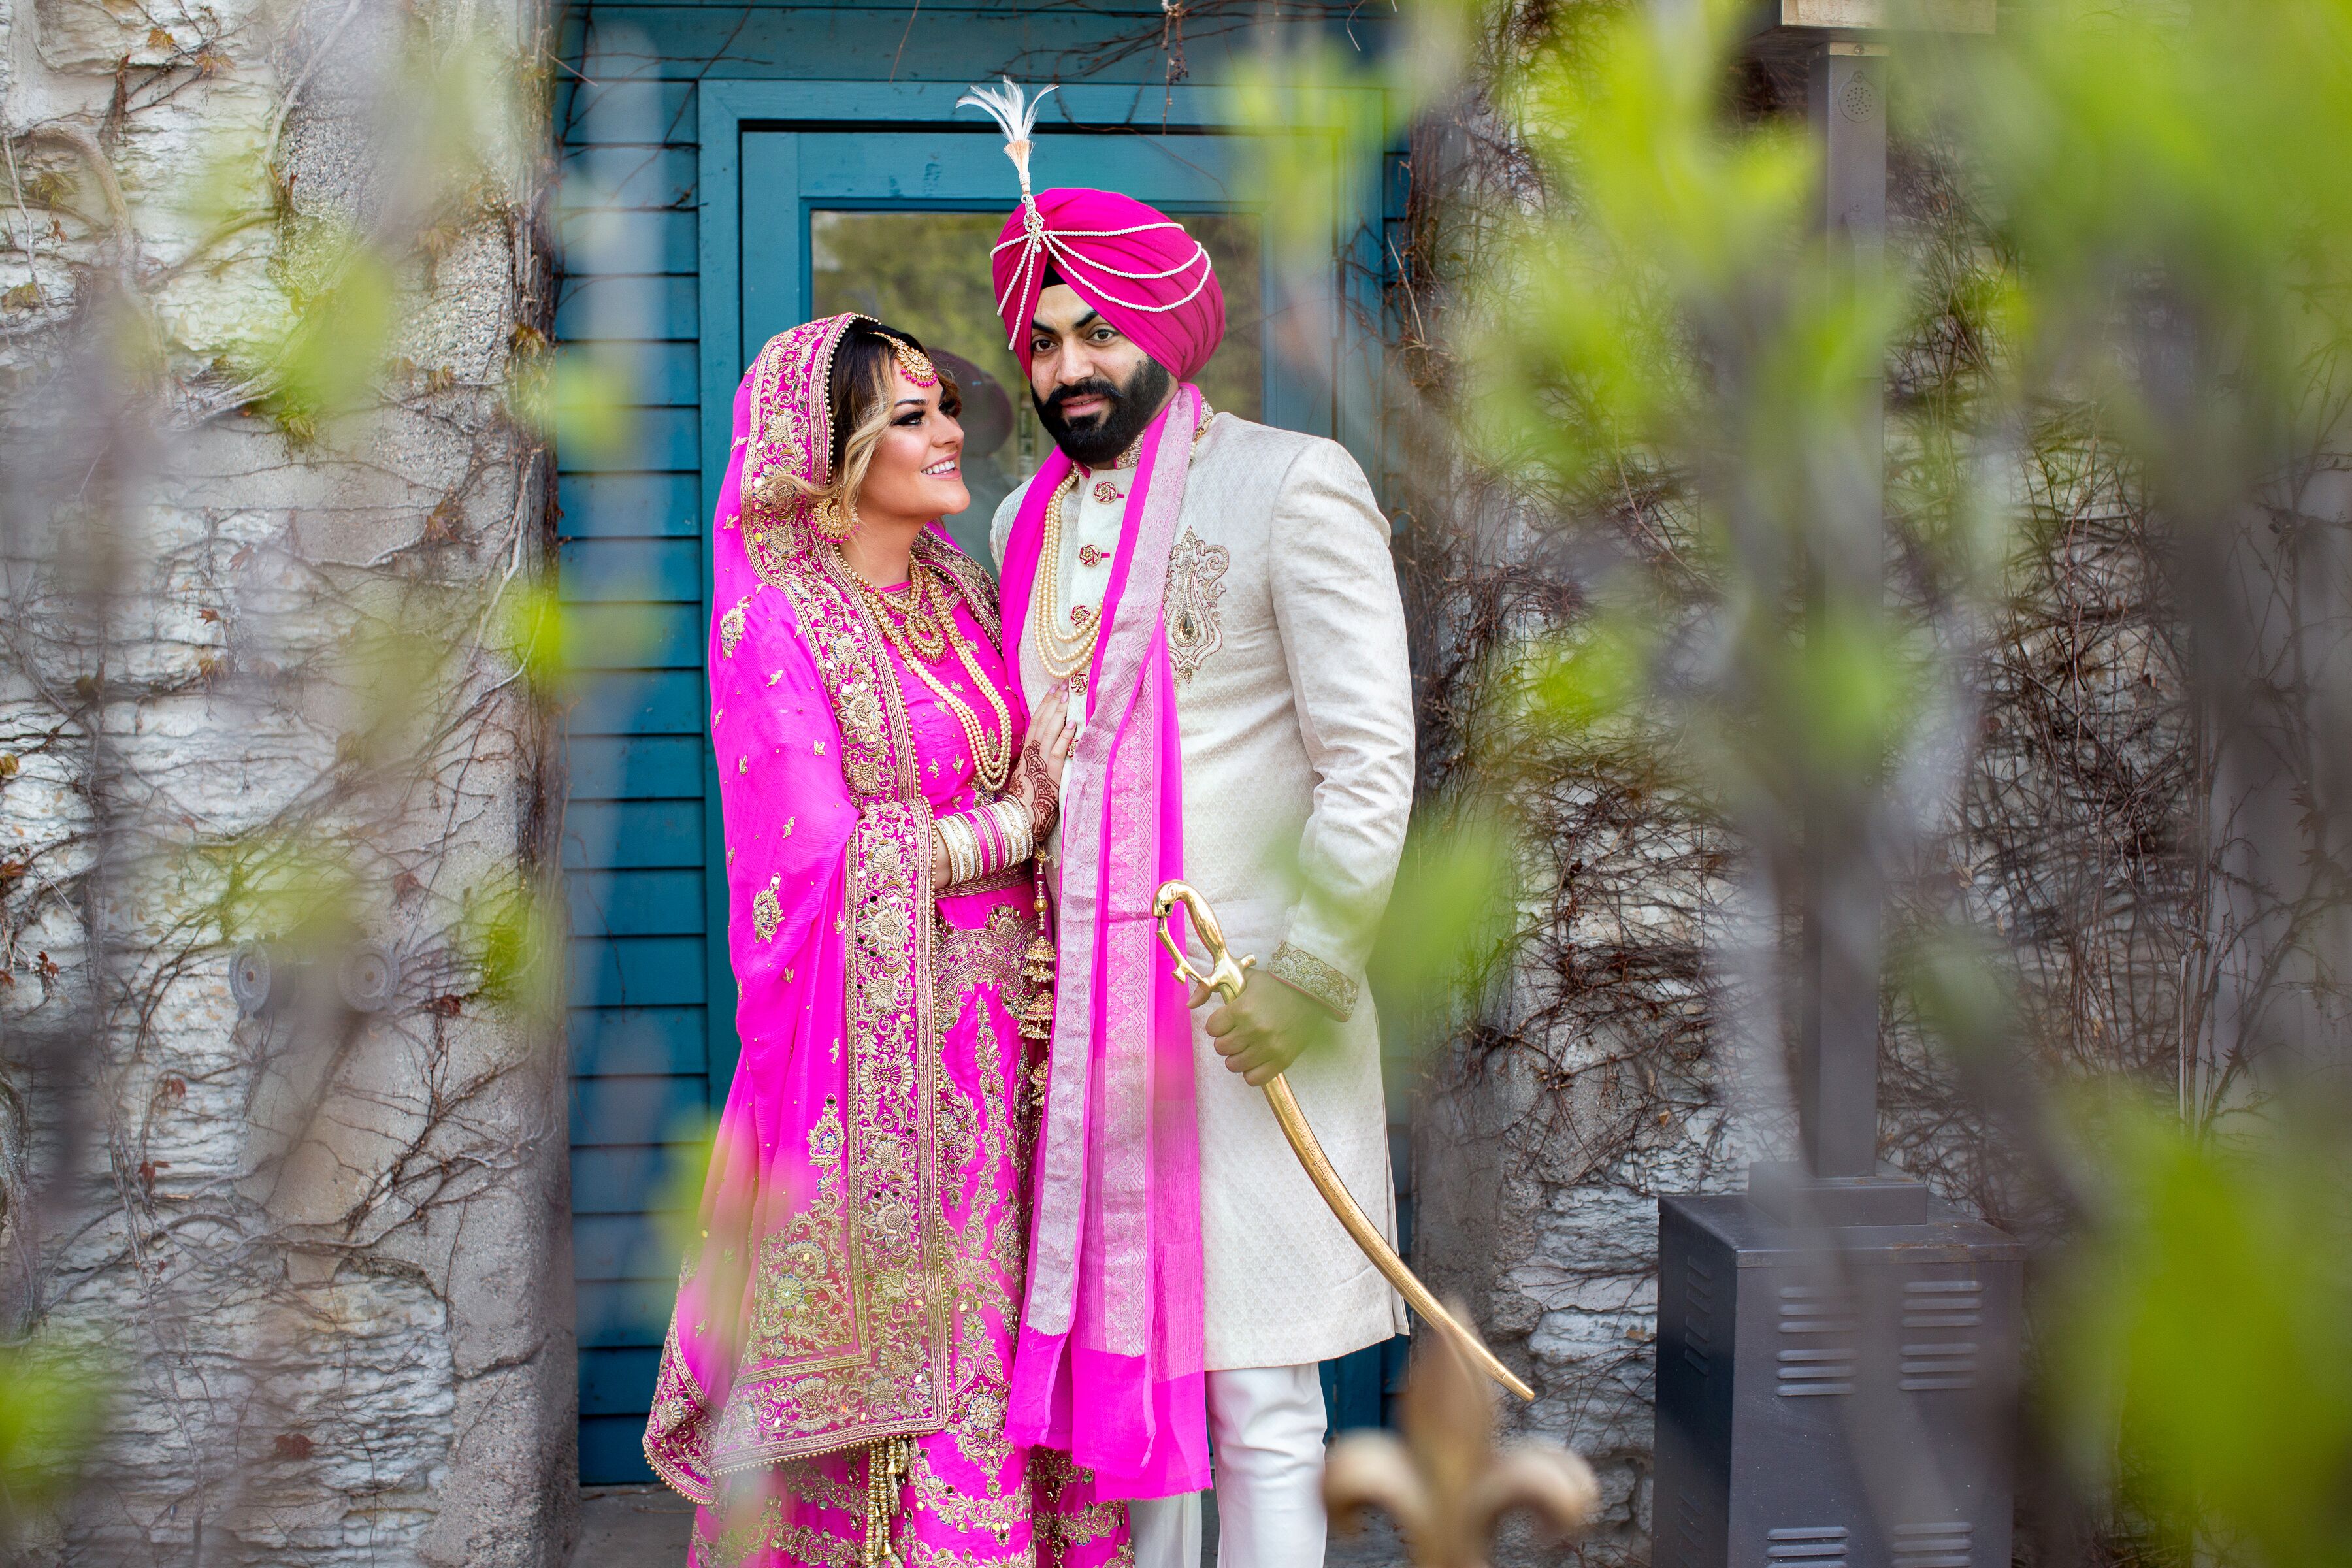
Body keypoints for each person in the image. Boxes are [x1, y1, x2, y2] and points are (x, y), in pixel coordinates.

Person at [963, 84, 1417, 1568]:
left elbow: (1371, 761)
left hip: (1242, 1012)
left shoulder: (1293, 485)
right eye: (1044, 338)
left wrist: (1307, 974)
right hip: (1080, 1031)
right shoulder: (1021, 522)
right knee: (1131, 1404)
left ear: (1167, 332)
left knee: (1265, 1402)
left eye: (1099, 332)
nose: (1069, 365)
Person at [640, 310, 1128, 1567]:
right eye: (910, 419)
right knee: (915, 1376)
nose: (952, 433)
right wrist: (1012, 821)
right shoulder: (778, 625)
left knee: (1011, 1369)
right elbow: (818, 861)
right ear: (833, 457)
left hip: (1007, 1069)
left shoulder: (967, 590)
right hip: (867, 1082)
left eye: (946, 407)